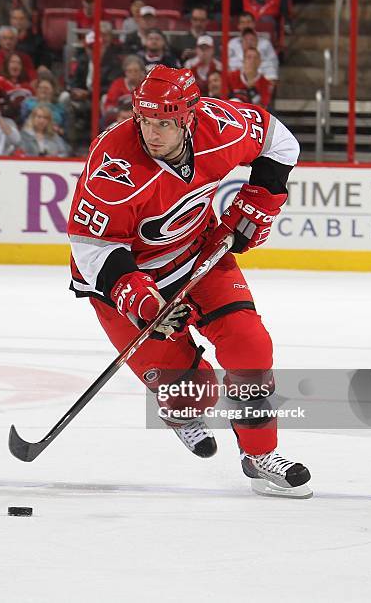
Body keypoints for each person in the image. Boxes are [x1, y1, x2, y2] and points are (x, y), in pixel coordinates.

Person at [67, 65, 311, 498]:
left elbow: (279, 140)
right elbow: (92, 247)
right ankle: (181, 411)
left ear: (188, 118)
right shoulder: (114, 166)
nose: (151, 133)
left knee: (250, 346)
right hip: (127, 278)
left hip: (198, 250)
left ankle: (260, 454)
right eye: (144, 120)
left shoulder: (221, 128)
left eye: (163, 123)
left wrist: (261, 199)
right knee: (194, 390)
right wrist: (140, 300)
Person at [228, 12, 279, 81]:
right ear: (239, 26)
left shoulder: (266, 44)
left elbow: (274, 64)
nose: (246, 25)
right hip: (236, 82)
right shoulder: (232, 43)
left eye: (248, 22)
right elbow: (226, 65)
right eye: (243, 23)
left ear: (254, 24)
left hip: (262, 81)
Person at [103, 55, 146, 124]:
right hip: (120, 119)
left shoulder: (146, 86)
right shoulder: (118, 84)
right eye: (129, 71)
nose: (133, 74)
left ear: (141, 71)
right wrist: (120, 113)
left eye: (136, 71)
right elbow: (109, 106)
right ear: (125, 72)